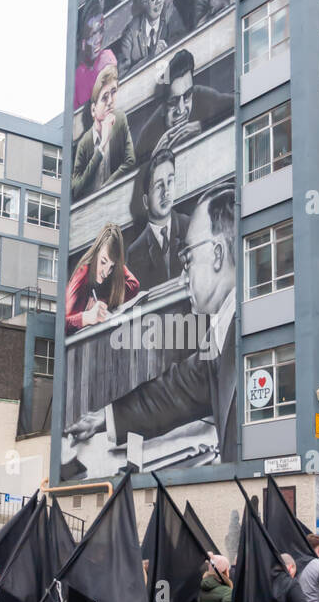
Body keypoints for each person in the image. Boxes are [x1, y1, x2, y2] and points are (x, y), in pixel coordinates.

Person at [67, 186, 237, 462]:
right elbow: (173, 391)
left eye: (188, 259)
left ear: (217, 254)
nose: (184, 278)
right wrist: (105, 418)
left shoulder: (253, 329)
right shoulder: (224, 333)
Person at [135, 46, 232, 164]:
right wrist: (154, 159)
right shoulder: (147, 137)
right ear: (162, 107)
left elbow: (237, 103)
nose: (181, 110)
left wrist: (202, 125)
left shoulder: (202, 96)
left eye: (187, 97)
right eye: (173, 102)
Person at [126, 149, 189, 292]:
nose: (166, 191)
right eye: (159, 185)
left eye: (170, 181)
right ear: (146, 201)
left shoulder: (189, 227)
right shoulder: (135, 252)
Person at [71, 65, 136, 201]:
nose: (110, 101)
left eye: (113, 92)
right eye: (105, 97)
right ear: (93, 110)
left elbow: (130, 161)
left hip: (117, 200)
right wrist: (100, 149)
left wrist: (107, 187)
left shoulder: (120, 120)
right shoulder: (85, 143)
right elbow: (75, 189)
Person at [65, 223, 139, 334]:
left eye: (111, 267)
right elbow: (62, 324)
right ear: (95, 253)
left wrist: (103, 301)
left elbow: (134, 285)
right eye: (103, 262)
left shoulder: (110, 275)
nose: (105, 273)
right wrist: (86, 317)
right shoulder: (82, 273)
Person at [117, 0, 187, 74]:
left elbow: (183, 43)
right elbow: (122, 78)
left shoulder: (169, 12)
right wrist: (150, 58)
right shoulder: (130, 33)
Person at [74, 0, 118, 111]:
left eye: (100, 30)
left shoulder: (108, 58)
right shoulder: (77, 75)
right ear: (82, 40)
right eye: (93, 34)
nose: (98, 39)